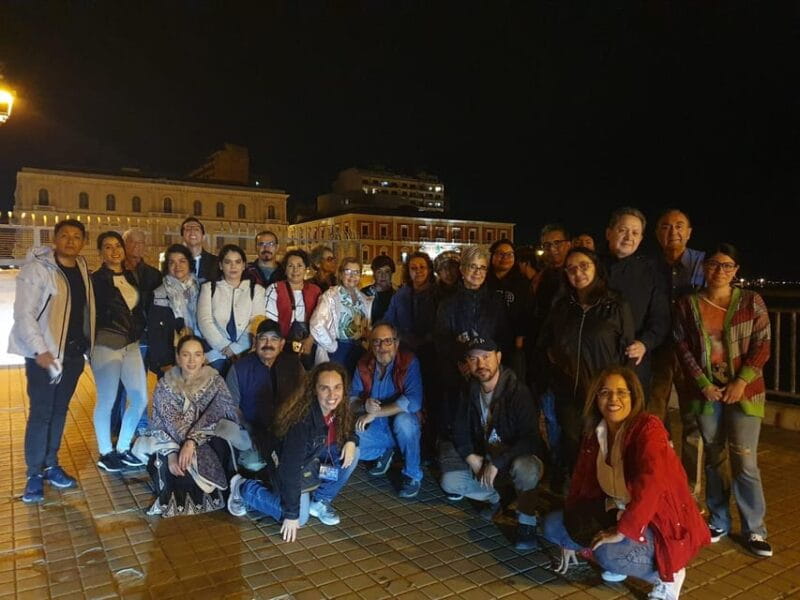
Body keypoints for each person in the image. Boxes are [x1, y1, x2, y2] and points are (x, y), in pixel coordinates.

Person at [542, 366, 709, 599]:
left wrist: (622, 532)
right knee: (554, 526)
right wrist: (570, 535)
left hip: (659, 521)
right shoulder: (595, 432)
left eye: (622, 392)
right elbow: (580, 482)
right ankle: (621, 557)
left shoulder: (648, 428)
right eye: (605, 392)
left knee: (608, 554)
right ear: (596, 398)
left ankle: (667, 574)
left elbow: (652, 484)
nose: (613, 399)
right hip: (619, 510)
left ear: (634, 396)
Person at [673, 244, 773, 557]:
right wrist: (703, 383)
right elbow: (682, 345)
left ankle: (754, 528)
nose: (720, 271)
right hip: (707, 392)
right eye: (714, 265)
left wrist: (741, 382)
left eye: (727, 266)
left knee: (744, 459)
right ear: (704, 267)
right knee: (714, 457)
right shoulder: (688, 304)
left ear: (736, 270)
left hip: (745, 392)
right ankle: (718, 519)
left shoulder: (750, 301)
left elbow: (763, 344)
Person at [10, 219, 96, 503]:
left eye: (76, 236)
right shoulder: (38, 270)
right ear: (55, 239)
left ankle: (51, 464)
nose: (71, 241)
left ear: (82, 241)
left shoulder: (81, 267)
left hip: (71, 355)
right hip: (44, 356)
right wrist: (40, 351)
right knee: (42, 413)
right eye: (65, 236)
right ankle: (34, 474)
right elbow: (24, 315)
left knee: (59, 412)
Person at [227, 363, 360, 541]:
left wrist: (351, 440)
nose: (332, 395)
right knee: (299, 517)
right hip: (288, 466)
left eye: (337, 387)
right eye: (324, 388)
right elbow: (289, 470)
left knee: (355, 452)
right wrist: (291, 514)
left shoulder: (339, 407)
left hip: (313, 461)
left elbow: (348, 425)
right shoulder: (302, 422)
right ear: (314, 390)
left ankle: (319, 500)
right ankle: (244, 488)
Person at [537, 247, 635, 477]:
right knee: (572, 442)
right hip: (568, 389)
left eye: (584, 266)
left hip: (602, 389)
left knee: (603, 442)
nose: (578, 273)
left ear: (596, 268)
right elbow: (546, 342)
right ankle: (575, 491)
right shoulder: (562, 306)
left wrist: (621, 390)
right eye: (571, 269)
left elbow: (627, 348)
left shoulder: (615, 304)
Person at [439, 337, 544, 551]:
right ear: (467, 363)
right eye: (474, 359)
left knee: (527, 469)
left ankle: (527, 522)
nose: (481, 364)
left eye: (486, 357)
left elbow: (531, 439)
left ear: (498, 357)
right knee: (449, 481)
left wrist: (498, 462)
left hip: (512, 460)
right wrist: (470, 457)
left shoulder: (517, 391)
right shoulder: (469, 389)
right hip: (486, 461)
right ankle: (499, 497)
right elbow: (459, 430)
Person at [132, 335, 246, 517]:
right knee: (162, 460)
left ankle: (232, 493)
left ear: (204, 358)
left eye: (197, 354)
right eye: (186, 355)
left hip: (206, 438)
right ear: (178, 357)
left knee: (226, 439)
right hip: (174, 441)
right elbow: (162, 422)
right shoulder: (165, 384)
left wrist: (192, 441)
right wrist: (170, 453)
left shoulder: (215, 382)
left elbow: (220, 413)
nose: (192, 361)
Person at [651, 208, 706, 499]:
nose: (673, 232)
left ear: (689, 231)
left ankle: (690, 493)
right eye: (665, 226)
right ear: (657, 233)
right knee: (654, 416)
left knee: (693, 420)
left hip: (691, 353)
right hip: (658, 350)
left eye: (679, 226)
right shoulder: (649, 265)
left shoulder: (702, 263)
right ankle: (661, 481)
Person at [436, 245, 510, 441]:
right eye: (473, 267)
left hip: (489, 369)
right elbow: (442, 338)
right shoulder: (448, 303)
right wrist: (461, 363)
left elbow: (502, 335)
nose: (478, 272)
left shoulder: (495, 301)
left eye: (482, 267)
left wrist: (489, 362)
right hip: (457, 371)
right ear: (462, 269)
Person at [90, 231, 148, 473]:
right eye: (108, 247)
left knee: (140, 398)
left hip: (131, 345)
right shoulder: (95, 280)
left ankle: (123, 447)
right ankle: (106, 452)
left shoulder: (131, 277)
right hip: (106, 344)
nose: (114, 251)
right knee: (107, 399)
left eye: (118, 246)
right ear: (100, 252)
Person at [351, 322, 423, 498]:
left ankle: (412, 475)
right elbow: (350, 399)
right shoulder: (363, 363)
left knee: (404, 422)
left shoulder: (409, 361)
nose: (382, 347)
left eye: (387, 341)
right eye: (376, 342)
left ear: (396, 343)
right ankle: (385, 451)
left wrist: (375, 413)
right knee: (349, 440)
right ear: (370, 344)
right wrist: (363, 405)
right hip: (377, 427)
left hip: (402, 424)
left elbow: (414, 401)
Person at [603, 207, 670, 394]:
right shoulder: (592, 267)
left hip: (633, 359)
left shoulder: (651, 272)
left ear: (640, 239)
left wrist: (645, 343)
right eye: (622, 230)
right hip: (595, 360)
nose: (628, 237)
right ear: (609, 233)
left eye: (635, 233)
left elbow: (660, 318)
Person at [226, 319, 305, 470]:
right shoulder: (239, 369)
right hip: (252, 434)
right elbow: (231, 408)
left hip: (287, 433)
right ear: (255, 341)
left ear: (281, 344)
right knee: (253, 464)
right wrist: (251, 431)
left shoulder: (294, 365)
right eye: (263, 338)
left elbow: (304, 400)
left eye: (274, 339)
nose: (268, 344)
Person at [110, 228, 164, 438]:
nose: (137, 247)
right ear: (124, 244)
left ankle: (137, 427)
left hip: (144, 338)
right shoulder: (113, 272)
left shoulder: (152, 274)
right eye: (132, 242)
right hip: (120, 339)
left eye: (141, 243)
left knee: (137, 385)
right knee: (121, 387)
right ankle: (121, 428)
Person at [197, 244, 267, 375]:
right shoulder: (209, 288)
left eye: (238, 262)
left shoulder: (256, 290)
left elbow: (256, 321)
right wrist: (224, 347)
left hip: (245, 353)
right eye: (228, 262)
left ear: (244, 265)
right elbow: (204, 320)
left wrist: (236, 348)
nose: (233, 266)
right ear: (220, 266)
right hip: (215, 354)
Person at [310, 257, 372, 373]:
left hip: (358, 350)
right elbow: (316, 323)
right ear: (340, 274)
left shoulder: (363, 299)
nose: (352, 276)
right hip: (338, 350)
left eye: (356, 272)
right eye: (348, 272)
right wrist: (332, 346)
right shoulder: (331, 296)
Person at [147, 244, 201, 377]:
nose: (178, 266)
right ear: (167, 266)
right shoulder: (159, 293)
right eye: (172, 262)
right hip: (170, 360)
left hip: (198, 356)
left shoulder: (200, 288)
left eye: (182, 261)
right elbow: (155, 331)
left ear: (189, 263)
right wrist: (164, 362)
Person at [264, 249, 322, 370]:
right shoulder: (275, 289)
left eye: (299, 265)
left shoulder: (315, 291)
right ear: (285, 269)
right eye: (291, 266)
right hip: (282, 345)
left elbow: (321, 319)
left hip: (310, 344)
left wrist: (310, 340)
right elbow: (270, 322)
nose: (295, 270)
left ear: (306, 269)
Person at [181, 217, 219, 283]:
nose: (192, 232)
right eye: (188, 229)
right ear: (182, 237)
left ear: (203, 237)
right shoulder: (176, 263)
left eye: (196, 229)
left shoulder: (216, 262)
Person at [361, 255, 396, 322]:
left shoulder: (397, 295)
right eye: (379, 272)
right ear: (374, 274)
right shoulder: (364, 294)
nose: (383, 276)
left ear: (392, 273)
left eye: (387, 271)